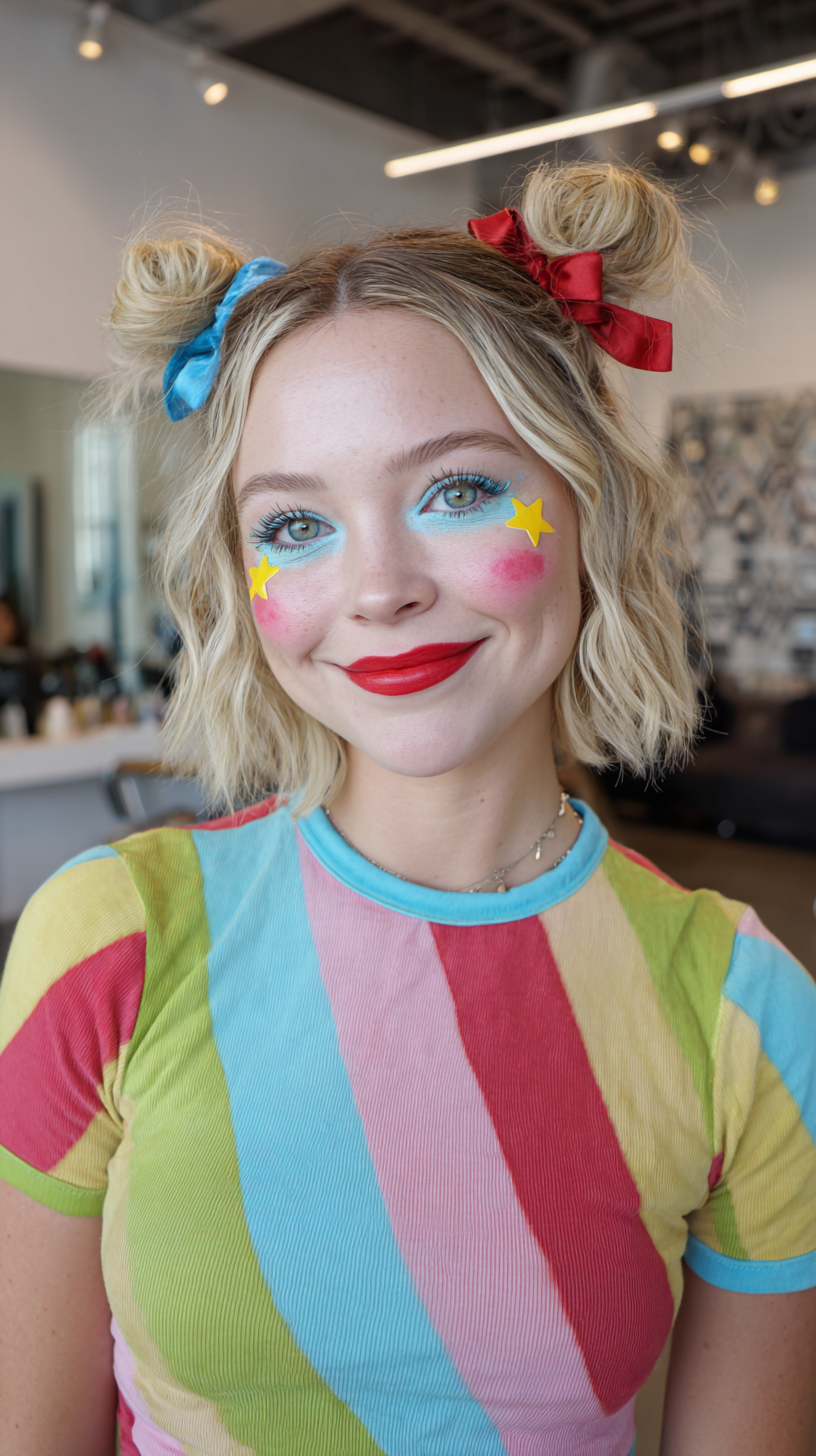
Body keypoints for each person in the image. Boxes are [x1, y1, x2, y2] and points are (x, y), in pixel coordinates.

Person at [1, 163, 814, 1456]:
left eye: (457, 490)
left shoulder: (750, 1014)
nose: (377, 588)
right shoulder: (107, 942)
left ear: (585, 503)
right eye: (297, 523)